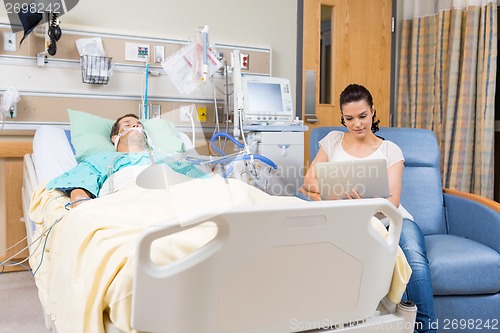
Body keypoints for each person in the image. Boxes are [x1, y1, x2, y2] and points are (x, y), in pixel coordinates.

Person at [303, 84, 436, 333]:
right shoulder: (332, 141)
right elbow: (309, 182)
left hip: (394, 220)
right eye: (349, 118)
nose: (357, 124)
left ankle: (426, 330)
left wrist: (359, 203)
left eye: (362, 116)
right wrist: (339, 200)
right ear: (342, 118)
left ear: (373, 112)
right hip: (348, 221)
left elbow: (393, 201)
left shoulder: (390, 150)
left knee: (415, 262)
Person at [46, 114, 206, 208]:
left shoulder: (165, 158)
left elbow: (202, 183)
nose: (135, 127)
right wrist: (79, 203)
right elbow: (80, 186)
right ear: (115, 138)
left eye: (138, 125)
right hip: (129, 203)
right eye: (128, 125)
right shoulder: (104, 159)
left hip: (173, 202)